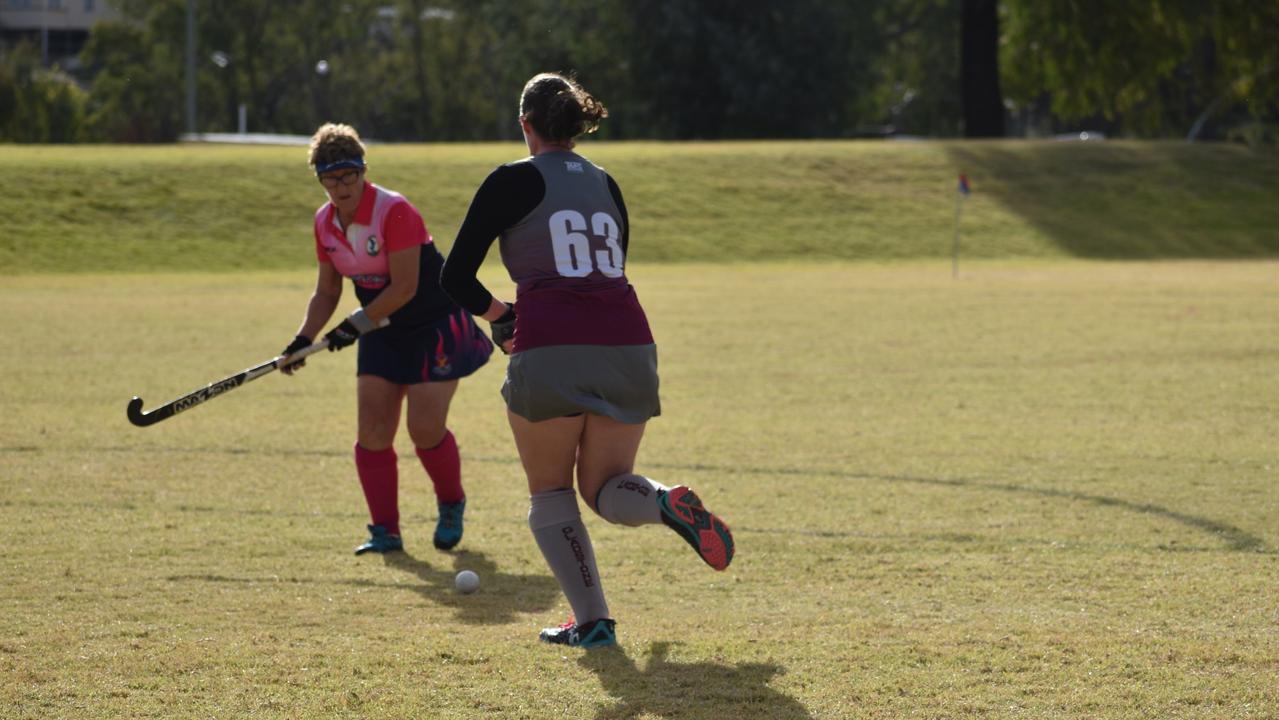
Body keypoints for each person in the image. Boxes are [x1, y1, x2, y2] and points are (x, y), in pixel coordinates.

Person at [440, 73, 735, 649]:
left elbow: (454, 276)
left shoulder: (510, 180)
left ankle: (594, 623)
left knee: (551, 495)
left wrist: (503, 315)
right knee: (607, 488)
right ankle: (661, 502)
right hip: (629, 338)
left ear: (525, 125)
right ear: (576, 126)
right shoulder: (605, 181)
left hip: (551, 342)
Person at [281, 123, 493, 555]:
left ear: (363, 171)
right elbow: (327, 291)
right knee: (373, 431)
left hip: (434, 326)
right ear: (319, 179)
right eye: (331, 179)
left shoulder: (394, 211)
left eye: (349, 176)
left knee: (424, 429)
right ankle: (385, 531)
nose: (341, 188)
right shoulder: (325, 224)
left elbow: (405, 288)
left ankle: (451, 503)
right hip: (381, 329)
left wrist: (353, 325)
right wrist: (302, 339)